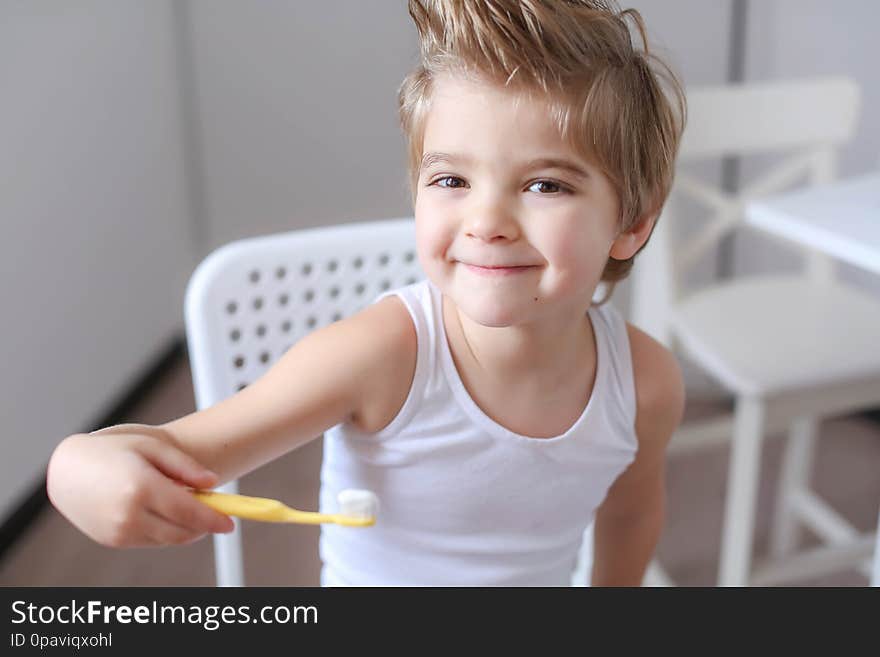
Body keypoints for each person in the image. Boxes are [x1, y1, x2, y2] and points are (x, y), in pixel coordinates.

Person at [47, 0, 686, 586]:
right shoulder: (380, 357)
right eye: (451, 179)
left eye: (546, 185)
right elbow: (170, 451)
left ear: (631, 221)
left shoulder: (645, 385)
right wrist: (79, 469)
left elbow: (630, 518)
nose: (486, 221)